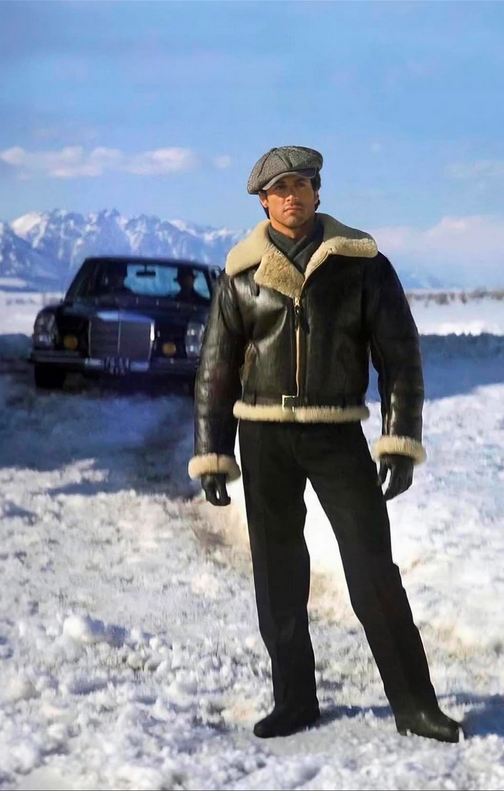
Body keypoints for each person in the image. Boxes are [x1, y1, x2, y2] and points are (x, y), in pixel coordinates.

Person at [188, 146, 461, 742]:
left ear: (317, 191)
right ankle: (294, 701)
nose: (291, 196)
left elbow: (399, 358)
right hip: (263, 435)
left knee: (371, 569)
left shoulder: (362, 265)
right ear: (263, 201)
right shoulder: (240, 274)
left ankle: (415, 705)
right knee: (278, 575)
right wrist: (213, 449)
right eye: (279, 188)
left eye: (301, 184)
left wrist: (399, 439)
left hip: (337, 433)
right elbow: (216, 368)